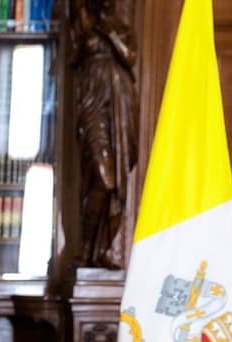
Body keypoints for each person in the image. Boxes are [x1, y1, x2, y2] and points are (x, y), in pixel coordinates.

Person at [71, 0, 138, 269]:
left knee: (114, 182)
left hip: (119, 101)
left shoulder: (119, 27)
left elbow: (129, 56)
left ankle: (98, 252)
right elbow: (75, 56)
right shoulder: (82, 20)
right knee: (102, 177)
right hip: (92, 100)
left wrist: (108, 30)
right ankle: (86, 248)